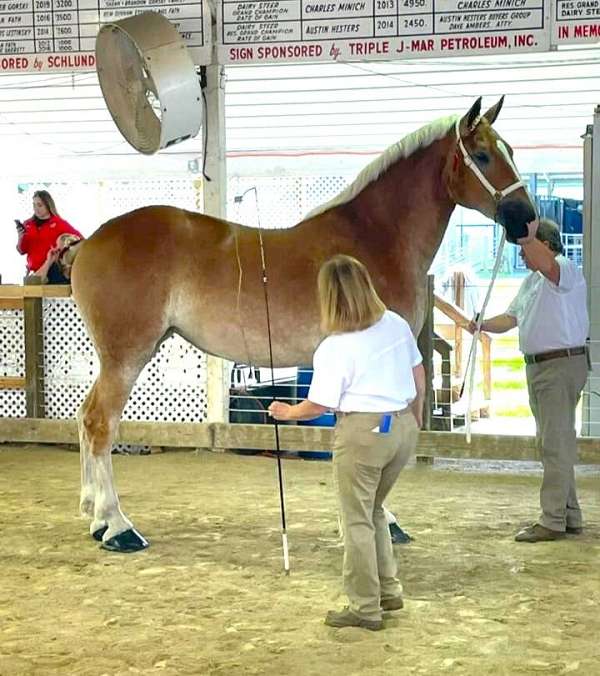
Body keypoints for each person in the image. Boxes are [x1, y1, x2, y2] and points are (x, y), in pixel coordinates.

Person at [269, 254, 425, 631]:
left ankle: (365, 608)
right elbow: (418, 374)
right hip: (400, 427)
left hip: (362, 434)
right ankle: (388, 590)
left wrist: (286, 412)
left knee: (356, 519)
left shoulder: (335, 347)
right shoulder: (396, 324)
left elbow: (319, 403)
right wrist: (415, 420)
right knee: (373, 511)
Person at [470, 218, 589, 543]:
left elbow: (544, 263)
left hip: (559, 366)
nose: (521, 256)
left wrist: (525, 233)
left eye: (526, 249)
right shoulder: (532, 281)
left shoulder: (563, 268)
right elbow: (510, 319)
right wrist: (480, 324)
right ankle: (568, 514)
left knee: (554, 443)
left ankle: (552, 520)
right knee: (554, 441)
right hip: (541, 368)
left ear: (545, 244)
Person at [16, 190, 83, 284]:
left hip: (52, 270)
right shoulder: (27, 224)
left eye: (39, 205)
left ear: (48, 205)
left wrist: (62, 250)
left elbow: (80, 239)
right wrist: (20, 237)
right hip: (34, 273)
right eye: (34, 205)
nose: (36, 208)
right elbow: (21, 250)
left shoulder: (59, 223)